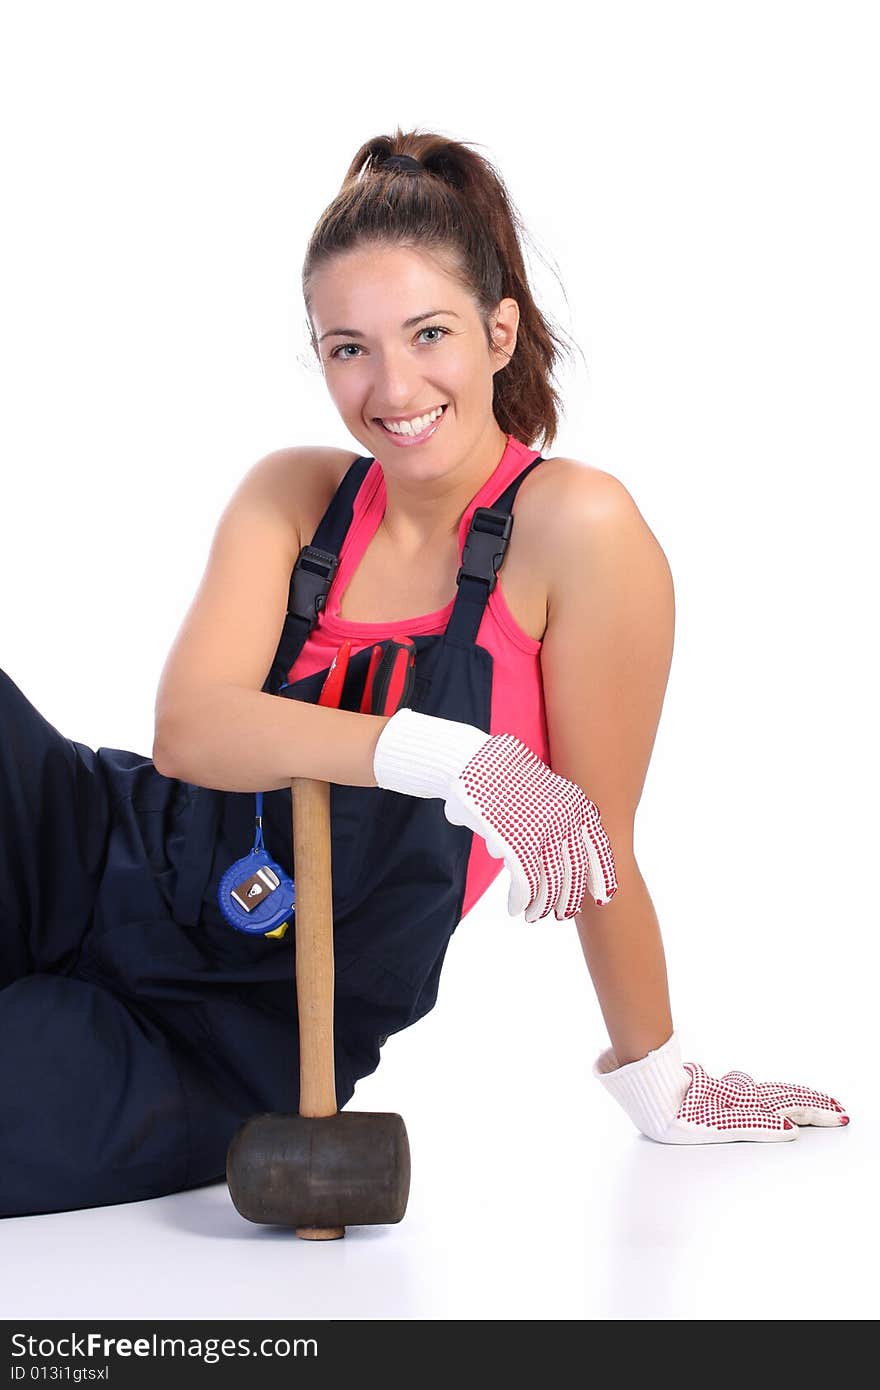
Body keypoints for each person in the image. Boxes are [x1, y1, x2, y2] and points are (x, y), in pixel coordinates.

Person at [0, 129, 848, 1220]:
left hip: (225, 1031)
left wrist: (659, 1076)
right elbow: (193, 729)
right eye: (347, 347)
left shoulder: (578, 531)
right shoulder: (295, 493)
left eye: (429, 334)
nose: (390, 387)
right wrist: (452, 754)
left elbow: (598, 845)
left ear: (499, 332)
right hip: (86, 848)